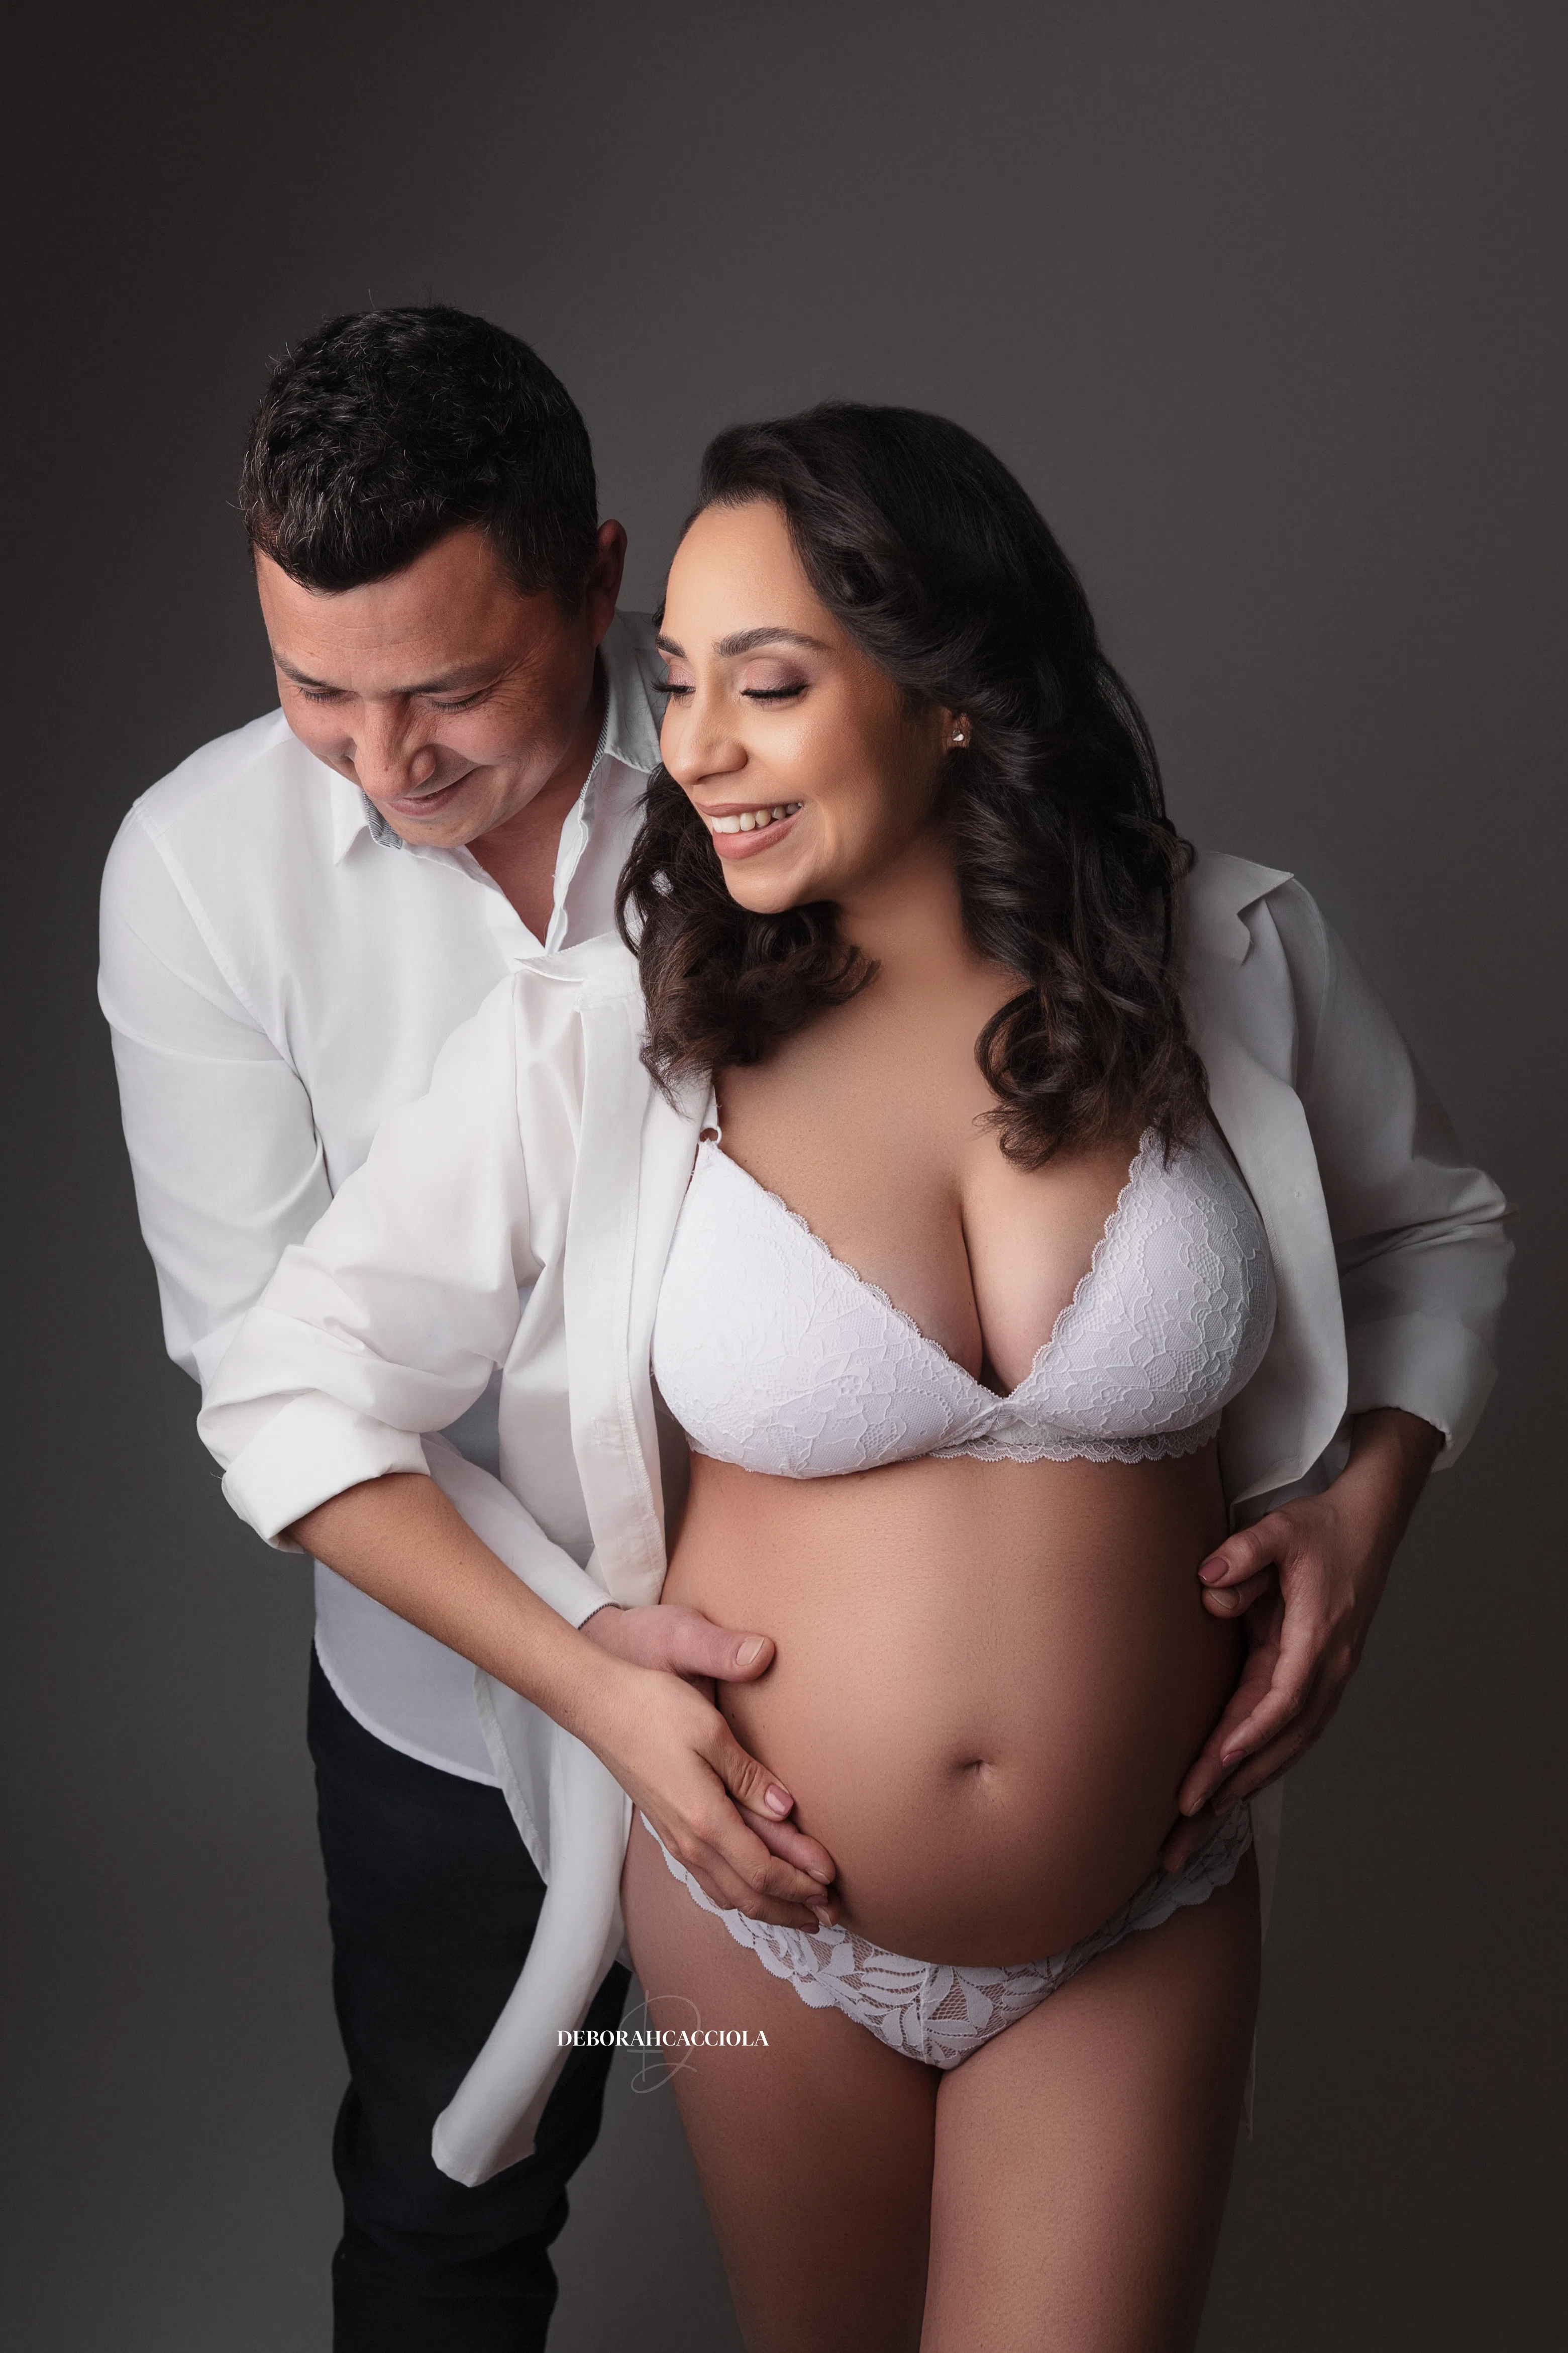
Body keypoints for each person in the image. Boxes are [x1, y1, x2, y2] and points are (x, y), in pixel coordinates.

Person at [195, 402, 1510, 2350]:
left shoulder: (1226, 954)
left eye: (770, 684)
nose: (695, 747)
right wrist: (591, 1688)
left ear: (957, 692)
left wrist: (1366, 1504)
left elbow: (1435, 1232)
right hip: (766, 1926)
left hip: (1144, 1897)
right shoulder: (607, 1040)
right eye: (677, 683)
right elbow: (286, 1391)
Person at [99, 305, 829, 2352]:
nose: (387, 760)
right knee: (444, 2213)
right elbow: (264, 1374)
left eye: (450, 690)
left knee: (861, 2249)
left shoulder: (778, 780)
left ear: (599, 581)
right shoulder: (196, 871)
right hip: (442, 1709)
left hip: (835, 1696)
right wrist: (591, 1682)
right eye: (314, 689)